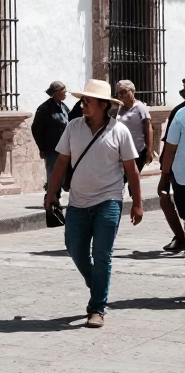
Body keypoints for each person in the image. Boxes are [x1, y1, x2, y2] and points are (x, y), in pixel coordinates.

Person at [45, 78, 142, 329]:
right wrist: (51, 194)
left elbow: (131, 171)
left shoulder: (119, 131)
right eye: (83, 99)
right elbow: (61, 163)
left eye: (87, 100)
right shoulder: (73, 127)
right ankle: (97, 283)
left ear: (102, 105)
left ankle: (97, 307)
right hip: (77, 202)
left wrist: (137, 203)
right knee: (74, 249)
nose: (82, 103)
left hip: (108, 201)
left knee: (102, 255)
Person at [158, 78, 185, 253]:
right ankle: (180, 237)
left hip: (180, 172)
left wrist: (164, 175)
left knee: (168, 199)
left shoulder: (180, 113)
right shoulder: (179, 112)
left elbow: (170, 148)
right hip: (179, 170)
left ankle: (180, 237)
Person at [31, 81, 70, 194]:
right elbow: (36, 129)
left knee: (65, 175)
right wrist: (42, 148)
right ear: (57, 92)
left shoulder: (64, 107)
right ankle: (52, 199)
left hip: (65, 148)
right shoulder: (44, 109)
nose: (66, 92)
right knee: (53, 174)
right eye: (64, 90)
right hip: (52, 148)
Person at [114, 80, 154, 172]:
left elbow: (148, 128)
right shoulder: (120, 108)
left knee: (132, 180)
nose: (120, 95)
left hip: (137, 151)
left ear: (132, 91)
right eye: (118, 93)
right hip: (123, 151)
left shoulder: (140, 107)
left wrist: (150, 150)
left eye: (124, 92)